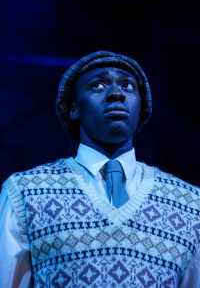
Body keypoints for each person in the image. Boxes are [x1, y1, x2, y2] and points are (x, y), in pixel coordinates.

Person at [0, 50, 199, 288]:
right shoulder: (25, 193)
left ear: (142, 108)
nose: (116, 94)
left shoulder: (191, 204)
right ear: (73, 108)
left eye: (127, 86)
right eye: (98, 85)